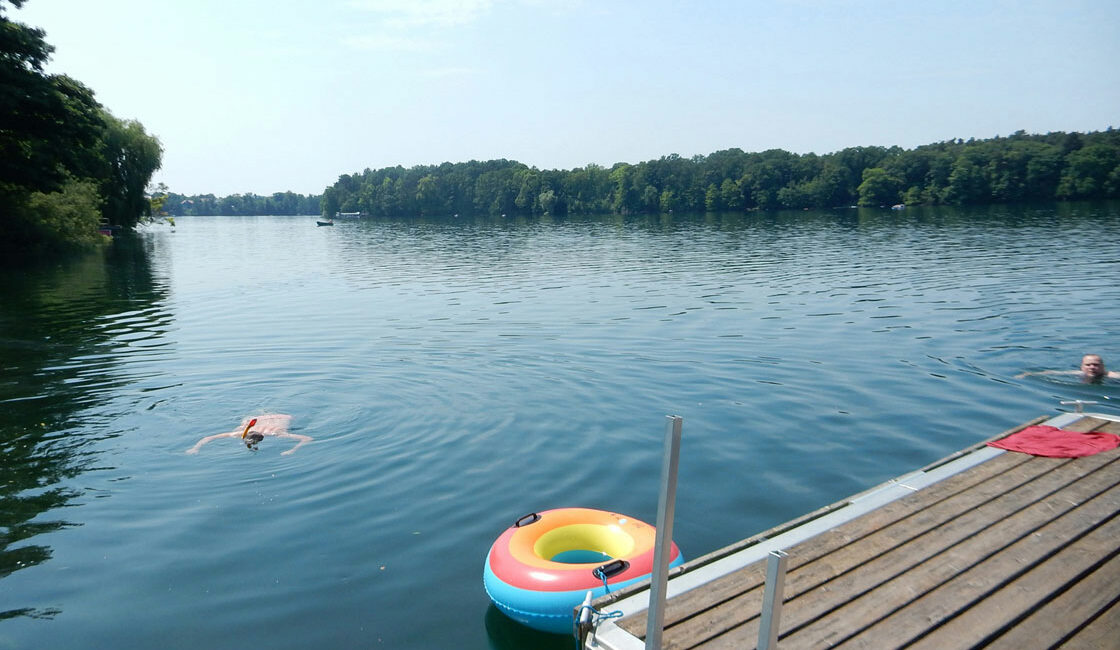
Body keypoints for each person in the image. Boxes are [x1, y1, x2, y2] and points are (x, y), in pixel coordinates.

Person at [186, 414, 311, 455]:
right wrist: (195, 448)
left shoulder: (275, 433)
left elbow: (308, 438)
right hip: (277, 417)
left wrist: (292, 450)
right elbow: (306, 438)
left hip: (281, 417)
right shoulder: (240, 433)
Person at [1017, 354, 1120, 382]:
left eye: (1096, 365)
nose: (1092, 367)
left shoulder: (1111, 375)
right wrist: (1028, 374)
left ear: (1103, 366)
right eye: (1088, 365)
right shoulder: (1079, 373)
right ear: (1082, 367)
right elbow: (1052, 373)